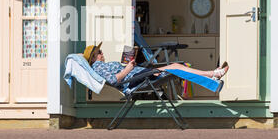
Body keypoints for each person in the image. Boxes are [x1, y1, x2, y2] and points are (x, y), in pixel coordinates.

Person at [83, 42, 229, 88]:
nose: (102, 53)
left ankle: (212, 77)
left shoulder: (102, 65)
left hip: (139, 74)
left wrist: (129, 64)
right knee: (175, 67)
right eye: (99, 52)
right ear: (94, 57)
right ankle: (212, 75)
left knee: (177, 67)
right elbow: (114, 80)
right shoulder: (98, 67)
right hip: (136, 80)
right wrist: (128, 68)